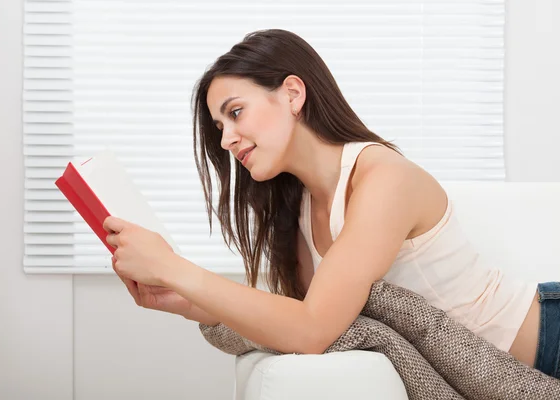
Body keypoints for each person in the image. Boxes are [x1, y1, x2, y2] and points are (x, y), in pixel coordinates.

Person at [102, 29, 556, 378]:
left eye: (235, 112)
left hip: (549, 340)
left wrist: (174, 267)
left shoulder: (382, 177)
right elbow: (293, 320)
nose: (226, 140)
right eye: (219, 126)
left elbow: (313, 329)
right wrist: (181, 299)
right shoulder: (297, 206)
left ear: (293, 94)